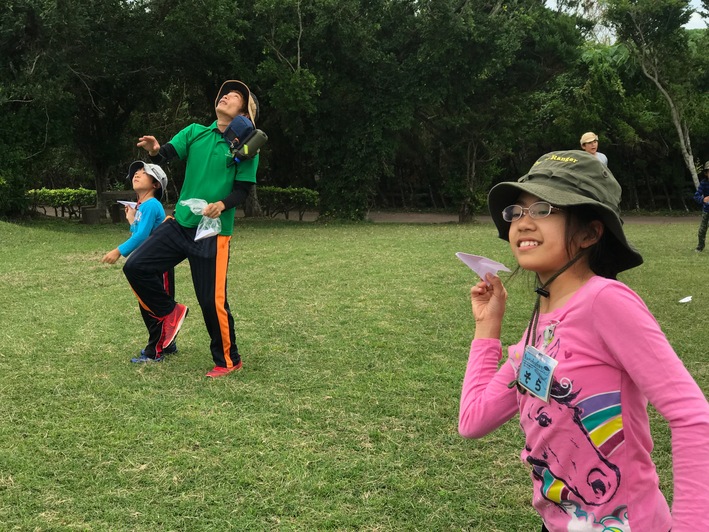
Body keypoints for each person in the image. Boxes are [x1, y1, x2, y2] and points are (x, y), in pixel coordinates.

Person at [459, 150, 709, 530]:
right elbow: (473, 421)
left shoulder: (606, 301)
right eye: (517, 211)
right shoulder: (537, 328)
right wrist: (487, 326)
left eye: (544, 209)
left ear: (591, 232)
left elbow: (692, 417)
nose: (523, 222)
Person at [123, 79, 259, 378]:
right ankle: (169, 311)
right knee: (136, 266)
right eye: (224, 94)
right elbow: (167, 153)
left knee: (211, 300)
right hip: (180, 224)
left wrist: (222, 204)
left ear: (244, 113)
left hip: (213, 231)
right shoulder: (196, 132)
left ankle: (228, 359)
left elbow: (242, 190)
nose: (225, 97)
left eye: (234, 97)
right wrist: (156, 149)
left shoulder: (247, 147)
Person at [101, 161, 177, 362]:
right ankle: (167, 344)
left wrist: (118, 251)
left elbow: (142, 236)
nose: (137, 174)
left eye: (144, 173)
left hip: (158, 264)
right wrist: (131, 220)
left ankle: (155, 350)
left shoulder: (152, 204)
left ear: (156, 184)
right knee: (148, 305)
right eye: (136, 172)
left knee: (156, 307)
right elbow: (141, 232)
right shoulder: (143, 206)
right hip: (149, 262)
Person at [692, 161, 709, 252]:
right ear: (706, 173)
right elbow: (696, 195)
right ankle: (700, 247)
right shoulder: (703, 183)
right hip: (706, 211)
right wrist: (703, 200)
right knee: (702, 230)